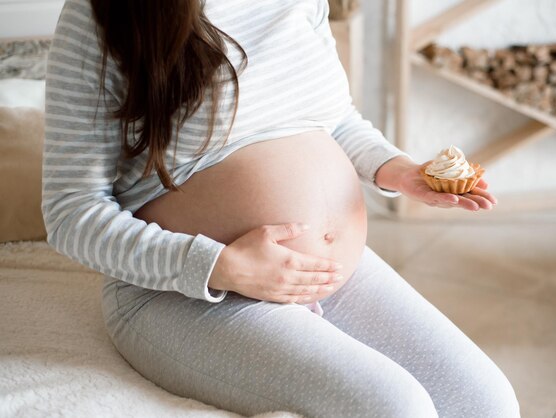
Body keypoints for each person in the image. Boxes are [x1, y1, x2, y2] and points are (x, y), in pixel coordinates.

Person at [42, 0, 520, 416]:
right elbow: (70, 211)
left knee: (487, 403)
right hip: (181, 294)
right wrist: (220, 266)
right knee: (396, 408)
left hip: (327, 273)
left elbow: (332, 118)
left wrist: (396, 170)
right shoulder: (100, 13)